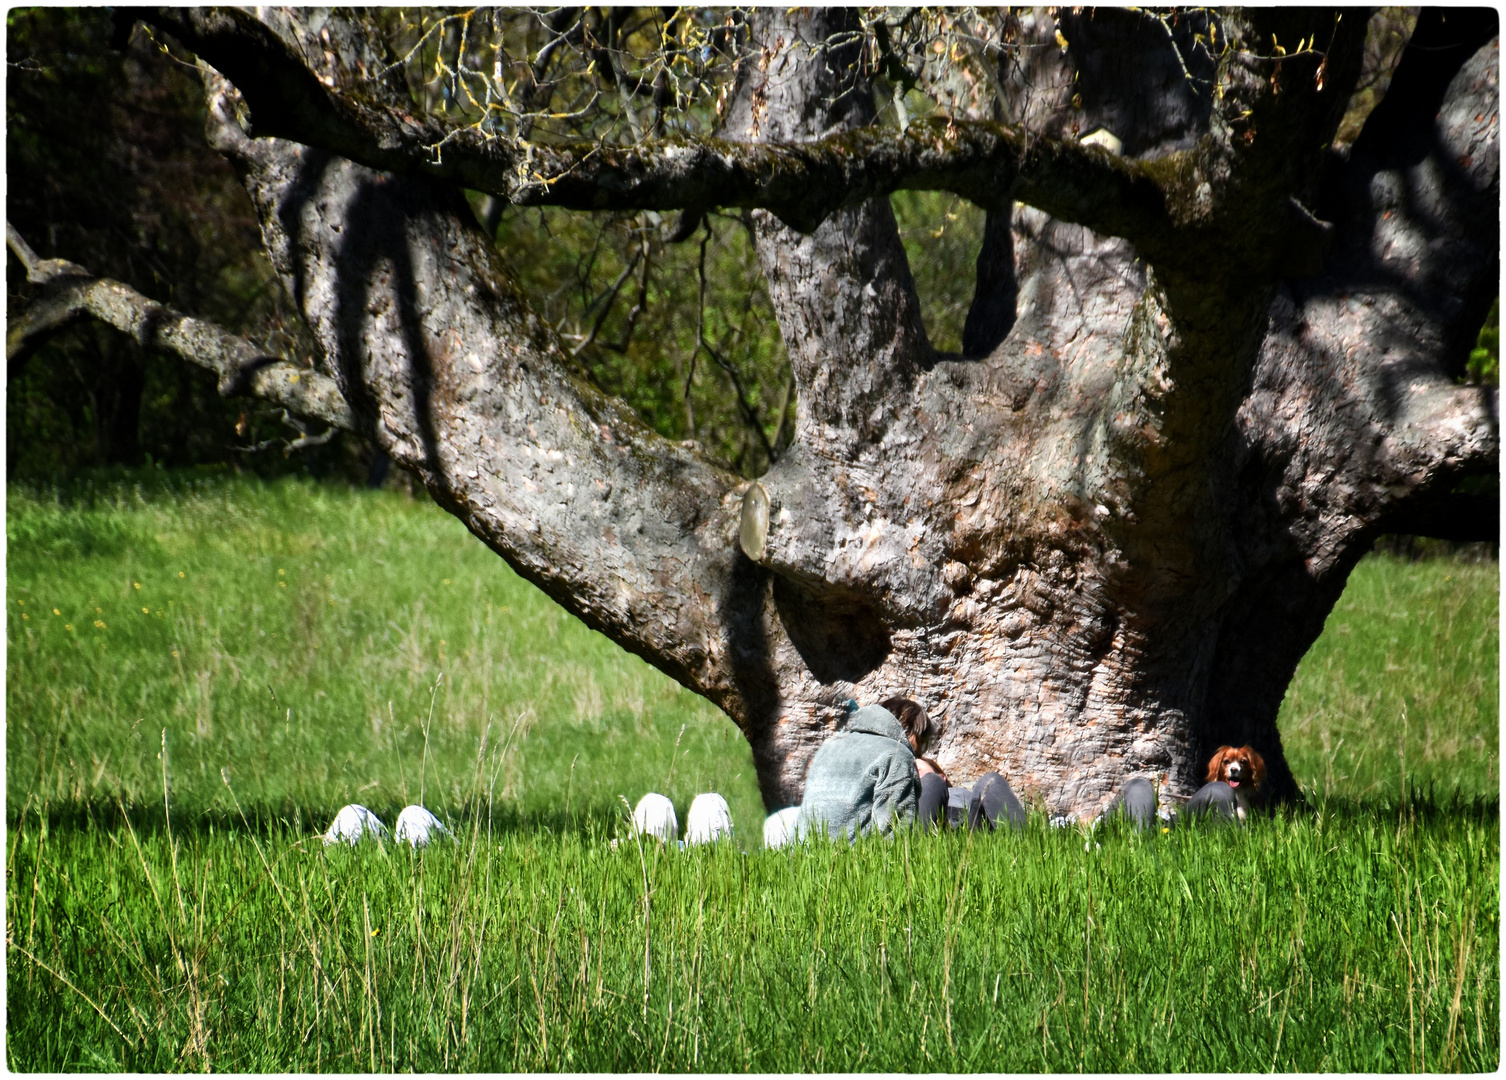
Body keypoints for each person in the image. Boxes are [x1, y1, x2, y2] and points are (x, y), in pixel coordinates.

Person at [886, 696, 1026, 832]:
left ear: (942, 777)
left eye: (917, 769)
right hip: (927, 831)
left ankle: (1024, 842)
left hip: (970, 828)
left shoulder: (953, 791)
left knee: (990, 781)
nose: (913, 773)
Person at [795, 701, 922, 841]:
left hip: (799, 854)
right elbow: (895, 831)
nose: (921, 750)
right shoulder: (897, 753)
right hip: (851, 858)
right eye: (923, 741)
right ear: (909, 730)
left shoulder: (829, 747)